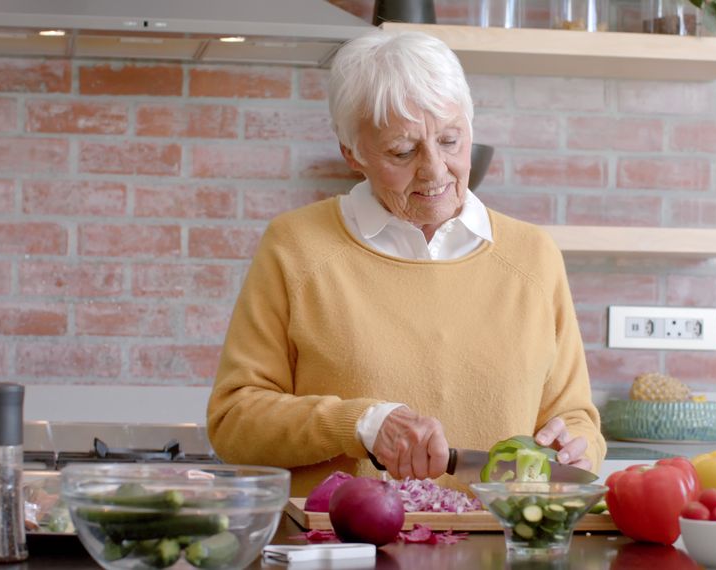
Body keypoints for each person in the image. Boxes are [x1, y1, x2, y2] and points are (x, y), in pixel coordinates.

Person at [207, 29, 605, 496]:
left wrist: (577, 445)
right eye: (402, 151)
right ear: (352, 153)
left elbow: (576, 419)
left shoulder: (533, 256)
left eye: (451, 140)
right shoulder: (296, 247)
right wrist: (361, 424)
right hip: (344, 553)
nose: (435, 169)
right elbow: (234, 422)